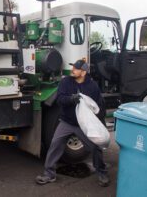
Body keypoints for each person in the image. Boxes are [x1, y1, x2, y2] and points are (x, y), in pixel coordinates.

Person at [35, 59, 110, 187]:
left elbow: (99, 106)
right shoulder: (65, 82)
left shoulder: (92, 86)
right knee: (55, 144)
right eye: (73, 67)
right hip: (67, 122)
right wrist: (71, 99)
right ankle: (49, 174)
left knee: (95, 147)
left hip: (83, 125)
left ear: (84, 72)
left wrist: (100, 124)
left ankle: (101, 172)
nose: (72, 70)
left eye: (76, 68)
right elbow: (60, 99)